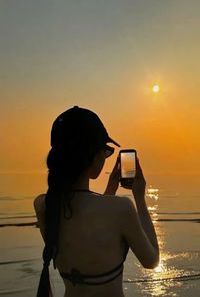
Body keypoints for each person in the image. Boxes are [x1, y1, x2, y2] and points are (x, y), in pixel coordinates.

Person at [34, 106, 159, 297]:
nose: (105, 156)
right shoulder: (121, 209)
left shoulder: (44, 206)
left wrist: (109, 191)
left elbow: (88, 223)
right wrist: (140, 198)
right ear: (92, 156)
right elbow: (151, 260)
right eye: (105, 151)